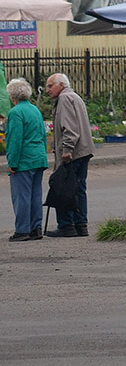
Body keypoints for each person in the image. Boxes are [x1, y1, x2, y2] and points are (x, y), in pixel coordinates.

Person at [44, 73, 95, 238]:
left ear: (60, 84)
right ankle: (81, 224)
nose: (47, 90)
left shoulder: (65, 99)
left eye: (50, 86)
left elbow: (70, 128)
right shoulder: (74, 96)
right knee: (79, 188)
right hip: (83, 150)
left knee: (64, 188)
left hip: (73, 152)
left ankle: (66, 226)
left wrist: (67, 149)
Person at [6, 78, 49, 241]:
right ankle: (35, 228)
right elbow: (43, 135)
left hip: (24, 160)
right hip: (38, 158)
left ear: (12, 96)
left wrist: (13, 163)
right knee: (35, 195)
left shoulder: (15, 113)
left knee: (21, 196)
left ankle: (22, 230)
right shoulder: (34, 109)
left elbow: (15, 140)